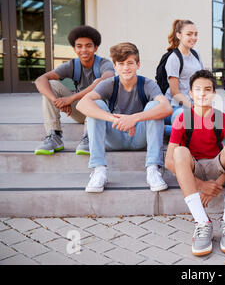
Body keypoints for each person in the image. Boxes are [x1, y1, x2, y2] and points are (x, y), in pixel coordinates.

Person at [165, 70, 225, 257]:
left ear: (214, 94)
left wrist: (217, 184)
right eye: (197, 89)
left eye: (208, 89)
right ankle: (202, 221)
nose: (202, 93)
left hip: (215, 167)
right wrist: (201, 186)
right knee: (180, 151)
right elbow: (168, 162)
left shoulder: (221, 118)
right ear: (190, 93)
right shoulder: (183, 118)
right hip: (194, 169)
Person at [77, 42, 172, 193]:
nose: (126, 68)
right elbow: (81, 105)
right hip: (115, 136)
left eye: (130, 63)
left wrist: (134, 119)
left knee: (154, 107)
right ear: (115, 66)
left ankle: (153, 170)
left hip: (140, 137)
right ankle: (99, 170)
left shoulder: (147, 84)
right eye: (121, 64)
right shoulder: (109, 84)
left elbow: (167, 108)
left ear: (138, 64)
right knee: (96, 105)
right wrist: (115, 119)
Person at [34, 25, 115, 155]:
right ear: (74, 48)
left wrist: (71, 98)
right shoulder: (72, 65)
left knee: (97, 84)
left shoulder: (104, 64)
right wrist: (57, 101)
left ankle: (89, 137)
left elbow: (106, 79)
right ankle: (54, 135)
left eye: (88, 46)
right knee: (51, 83)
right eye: (79, 46)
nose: (84, 50)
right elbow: (40, 80)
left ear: (95, 48)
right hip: (81, 111)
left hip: (100, 112)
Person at [163, 19, 203, 136]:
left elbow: (202, 81)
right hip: (176, 107)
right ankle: (163, 130)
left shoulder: (196, 55)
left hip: (194, 105)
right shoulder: (174, 58)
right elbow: (174, 91)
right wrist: (193, 107)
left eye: (195, 34)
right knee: (192, 123)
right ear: (179, 35)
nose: (193, 38)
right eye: (189, 34)